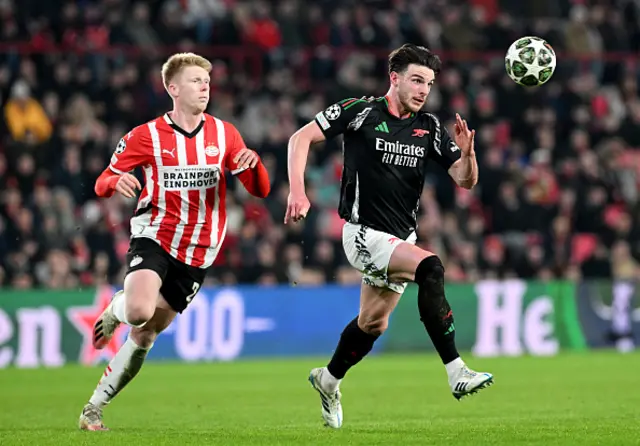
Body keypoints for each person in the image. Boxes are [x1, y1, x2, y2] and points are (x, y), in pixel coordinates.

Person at [285, 44, 493, 429]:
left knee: (372, 324)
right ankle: (456, 370)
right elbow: (300, 139)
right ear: (393, 78)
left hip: (400, 238)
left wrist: (468, 155)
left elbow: (464, 181)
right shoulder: (358, 111)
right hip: (363, 233)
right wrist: (298, 190)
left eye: (428, 83)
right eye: (416, 80)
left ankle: (328, 380)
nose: (423, 90)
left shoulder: (428, 127)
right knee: (431, 266)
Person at [78, 52, 271, 431]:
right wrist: (116, 182)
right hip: (156, 235)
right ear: (173, 88)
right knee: (137, 312)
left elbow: (259, 190)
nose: (205, 87)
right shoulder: (145, 135)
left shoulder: (224, 133)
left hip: (200, 251)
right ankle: (117, 309)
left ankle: (93, 408)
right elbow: (103, 180)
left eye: (207, 81)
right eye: (197, 80)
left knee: (146, 334)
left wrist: (254, 163)